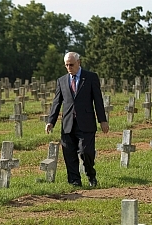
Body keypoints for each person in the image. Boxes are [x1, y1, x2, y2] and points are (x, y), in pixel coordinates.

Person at [45, 52, 109, 187]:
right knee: (69, 154)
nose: (69, 67)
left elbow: (98, 100)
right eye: (66, 65)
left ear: (79, 63)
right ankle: (74, 181)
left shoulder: (90, 77)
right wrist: (51, 121)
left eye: (71, 64)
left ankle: (91, 175)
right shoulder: (62, 80)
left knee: (86, 152)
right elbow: (57, 102)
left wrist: (102, 120)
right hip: (68, 123)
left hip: (85, 123)